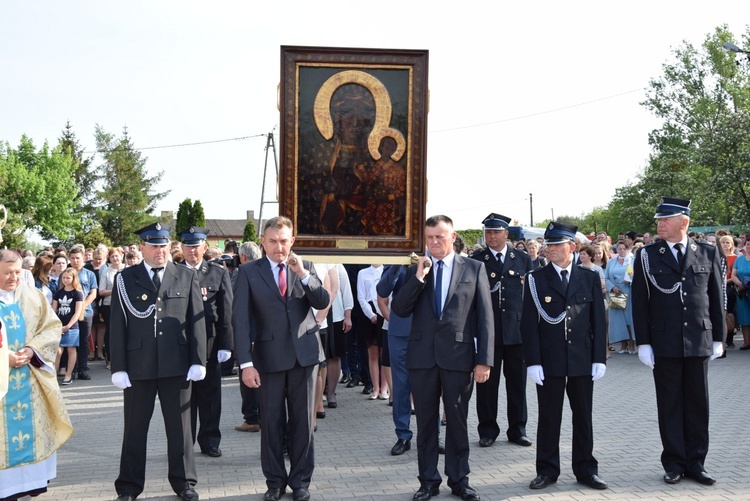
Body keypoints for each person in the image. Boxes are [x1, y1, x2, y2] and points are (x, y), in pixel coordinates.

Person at [391, 215, 493, 501]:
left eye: (440, 236)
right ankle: (428, 481)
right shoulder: (416, 269)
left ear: (452, 236)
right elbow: (399, 309)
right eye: (430, 237)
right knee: (425, 423)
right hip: (422, 359)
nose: (434, 242)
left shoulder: (474, 268)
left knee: (458, 422)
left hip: (458, 357)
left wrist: (484, 360)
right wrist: (419, 278)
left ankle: (459, 480)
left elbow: (485, 318)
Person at [232, 216, 330, 501]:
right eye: (273, 241)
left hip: (305, 358)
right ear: (263, 242)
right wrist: (246, 364)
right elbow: (240, 320)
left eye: (284, 241)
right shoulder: (249, 272)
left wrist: (303, 275)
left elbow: (322, 302)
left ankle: (300, 481)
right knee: (271, 423)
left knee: (303, 423)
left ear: (293, 241)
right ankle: (274, 481)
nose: (279, 247)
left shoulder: (305, 267)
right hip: (268, 360)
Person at [109, 222, 208, 501]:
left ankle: (184, 483)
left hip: (176, 365)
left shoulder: (185, 275)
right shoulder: (125, 278)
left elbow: (196, 322)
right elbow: (118, 325)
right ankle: (128, 487)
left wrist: (198, 360)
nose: (160, 251)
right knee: (134, 430)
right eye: (154, 245)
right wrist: (118, 367)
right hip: (138, 366)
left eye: (164, 245)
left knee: (180, 430)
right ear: (142, 248)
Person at [632, 197, 724, 486]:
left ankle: (696, 463)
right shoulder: (647, 254)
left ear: (683, 222)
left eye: (665, 219)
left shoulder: (707, 252)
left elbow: (716, 297)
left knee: (698, 404)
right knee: (669, 403)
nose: (660, 224)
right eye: (659, 220)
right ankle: (673, 462)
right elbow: (639, 302)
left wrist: (719, 337)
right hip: (664, 341)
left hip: (698, 338)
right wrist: (643, 342)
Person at [521, 221, 608, 491]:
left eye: (557, 244)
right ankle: (547, 470)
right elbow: (528, 323)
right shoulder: (536, 279)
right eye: (549, 244)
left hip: (582, 357)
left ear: (572, 246)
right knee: (549, 417)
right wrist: (533, 361)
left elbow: (597, 320)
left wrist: (599, 358)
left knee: (583, 416)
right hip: (550, 359)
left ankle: (586, 470)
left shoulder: (589, 276)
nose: (550, 249)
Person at [0, 249, 74, 501]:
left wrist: (33, 350)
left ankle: (26, 486)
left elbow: (51, 327)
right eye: (7, 273)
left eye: (18, 272)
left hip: (29, 382)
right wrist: (4, 358)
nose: (14, 278)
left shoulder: (32, 296)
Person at [471, 213, 532, 449]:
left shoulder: (523, 259)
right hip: (489, 333)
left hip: (517, 333)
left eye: (496, 232)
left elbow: (529, 297)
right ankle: (487, 430)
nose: (492, 236)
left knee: (517, 384)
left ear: (507, 234)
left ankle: (518, 429)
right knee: (486, 385)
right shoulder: (477, 260)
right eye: (488, 232)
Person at [178, 226, 234, 458]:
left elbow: (226, 310)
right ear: (182, 248)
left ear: (204, 247)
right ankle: (185, 443)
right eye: (188, 246)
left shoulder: (217, 273)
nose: (193, 250)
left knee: (210, 395)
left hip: (210, 343)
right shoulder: (174, 273)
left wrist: (226, 344)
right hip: (181, 344)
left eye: (197, 246)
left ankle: (210, 440)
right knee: (185, 395)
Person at [377, 264, 414, 456]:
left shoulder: (431, 259)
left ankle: (433, 436)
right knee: (400, 385)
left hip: (427, 332)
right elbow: (382, 291)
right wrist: (396, 266)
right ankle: (403, 435)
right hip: (399, 332)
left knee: (430, 386)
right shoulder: (395, 263)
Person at [233, 241, 262, 433]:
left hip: (250, 334)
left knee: (248, 377)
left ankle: (252, 418)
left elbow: (236, 306)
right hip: (265, 336)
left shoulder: (242, 273)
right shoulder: (266, 270)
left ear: (243, 257)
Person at [67, 245, 97, 380]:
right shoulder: (66, 274)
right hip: (69, 313)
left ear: (83, 258)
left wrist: (83, 305)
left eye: (78, 258)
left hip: (86, 312)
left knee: (84, 341)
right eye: (72, 258)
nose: (75, 261)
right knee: (71, 342)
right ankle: (71, 369)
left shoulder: (89, 274)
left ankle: (82, 369)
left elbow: (93, 293)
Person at [52, 267, 84, 385]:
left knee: (71, 349)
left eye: (68, 278)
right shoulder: (58, 293)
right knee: (58, 351)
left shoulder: (77, 294)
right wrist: (56, 325)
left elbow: (77, 312)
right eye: (64, 278)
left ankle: (68, 375)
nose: (65, 280)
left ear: (73, 278)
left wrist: (68, 326)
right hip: (58, 326)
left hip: (72, 326)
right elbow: (53, 310)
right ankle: (53, 375)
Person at [605, 240, 635, 354]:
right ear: (616, 250)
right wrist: (612, 287)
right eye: (619, 249)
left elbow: (638, 276)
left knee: (629, 319)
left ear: (628, 249)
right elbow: (606, 278)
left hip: (629, 291)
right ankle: (623, 343)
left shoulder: (632, 261)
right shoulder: (611, 262)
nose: (622, 251)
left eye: (624, 249)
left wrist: (630, 282)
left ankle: (632, 342)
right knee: (618, 320)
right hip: (616, 292)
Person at [731, 234, 750, 350]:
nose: (749, 247)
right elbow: (733, 275)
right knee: (744, 318)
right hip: (742, 292)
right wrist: (740, 284)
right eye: (748, 244)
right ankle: (747, 342)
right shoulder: (739, 259)